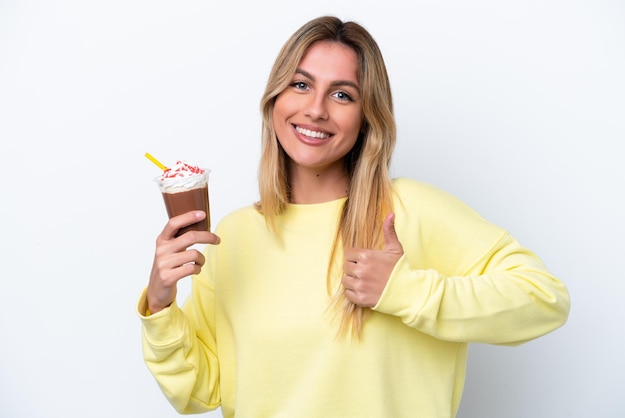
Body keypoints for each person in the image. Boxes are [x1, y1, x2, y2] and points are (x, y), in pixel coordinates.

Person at [137, 16, 570, 418]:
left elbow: (544, 300)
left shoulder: (409, 210)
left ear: (366, 119)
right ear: (274, 101)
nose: (317, 109)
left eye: (342, 94)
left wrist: (405, 290)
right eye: (301, 85)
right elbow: (199, 390)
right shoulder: (231, 236)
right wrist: (160, 304)